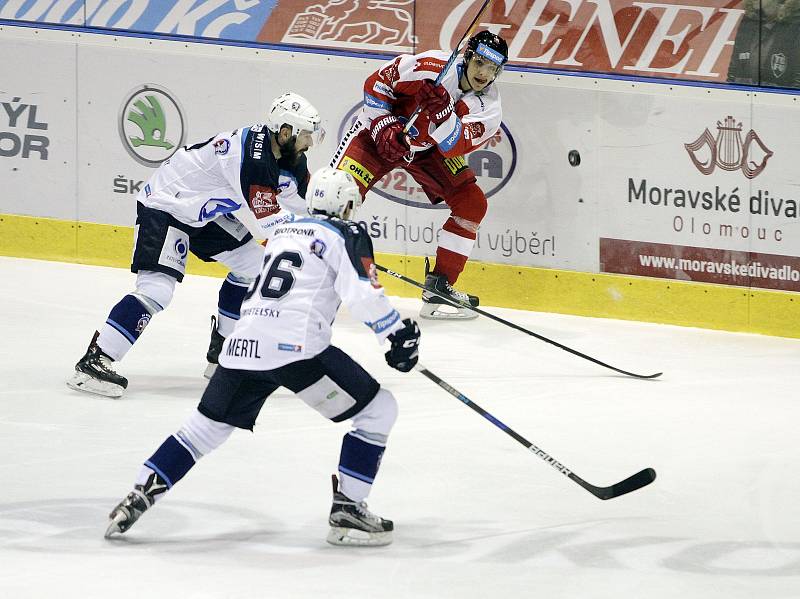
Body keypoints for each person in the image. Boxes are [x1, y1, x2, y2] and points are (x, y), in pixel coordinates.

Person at [103, 167, 421, 547]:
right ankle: (349, 509)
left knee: (202, 431)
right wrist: (397, 335)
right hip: (295, 349)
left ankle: (138, 494)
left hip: (242, 346)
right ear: (348, 206)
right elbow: (363, 296)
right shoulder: (346, 233)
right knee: (379, 410)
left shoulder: (284, 232)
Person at [66, 92, 323, 398]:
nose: (309, 143)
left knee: (255, 268)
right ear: (285, 132)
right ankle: (95, 361)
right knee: (157, 290)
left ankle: (223, 357)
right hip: (167, 205)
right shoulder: (254, 159)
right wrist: (318, 244)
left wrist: (335, 226)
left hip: (203, 211)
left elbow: (308, 205)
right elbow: (271, 222)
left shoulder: (290, 156)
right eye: (306, 135)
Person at [329, 30, 507, 320]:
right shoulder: (432, 66)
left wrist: (445, 114)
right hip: (376, 137)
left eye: (493, 68)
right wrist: (383, 125)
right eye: (480, 63)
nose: (484, 74)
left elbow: (455, 146)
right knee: (334, 195)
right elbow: (377, 83)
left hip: (427, 151)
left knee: (471, 203)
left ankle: (440, 285)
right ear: (467, 55)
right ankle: (309, 271)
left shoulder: (489, 108)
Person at [727, 0, 800, 89]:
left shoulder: (795, 26)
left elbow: (798, 80)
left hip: (777, 98)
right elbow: (733, 70)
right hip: (742, 95)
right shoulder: (749, 20)